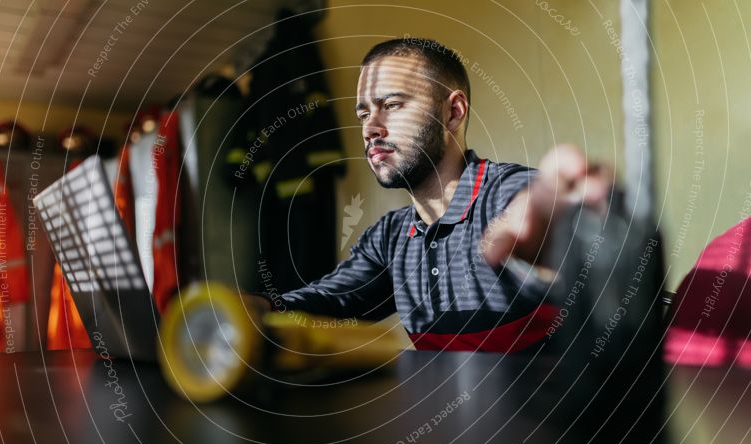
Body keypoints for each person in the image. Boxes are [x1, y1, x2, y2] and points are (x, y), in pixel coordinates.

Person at [255, 37, 610, 353]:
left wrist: (572, 233)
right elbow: (324, 302)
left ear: (453, 112)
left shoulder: (511, 197)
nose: (369, 128)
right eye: (363, 113)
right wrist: (254, 308)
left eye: (391, 105)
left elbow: (585, 256)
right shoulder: (389, 238)